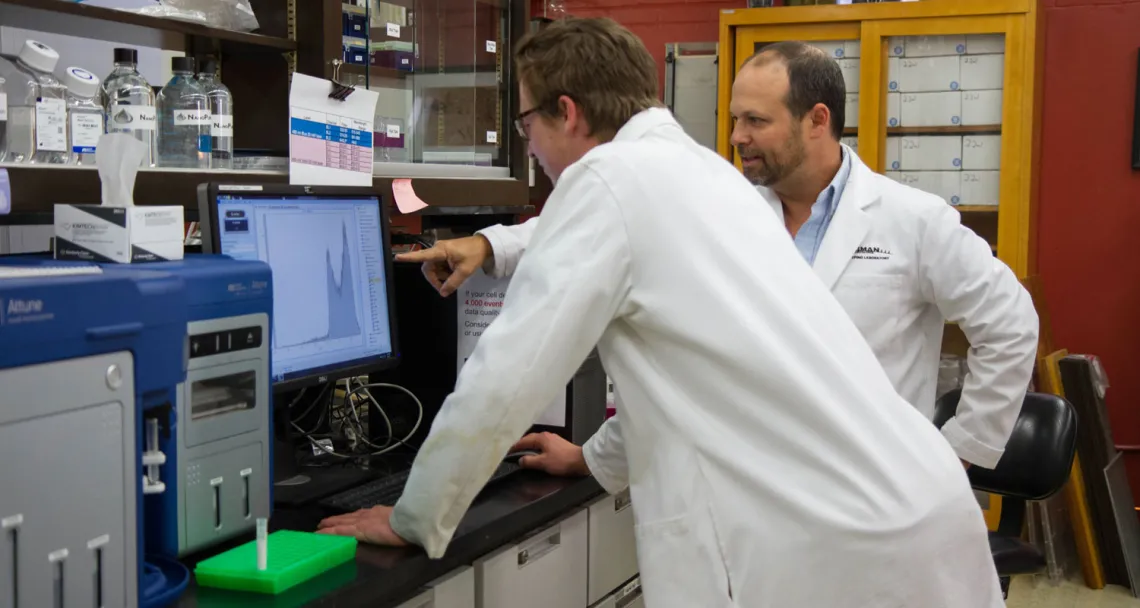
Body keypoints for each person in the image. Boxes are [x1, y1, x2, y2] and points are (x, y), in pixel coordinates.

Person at [319, 17, 1002, 607]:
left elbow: (506, 373)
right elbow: (704, 374)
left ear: (569, 112)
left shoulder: (607, 180)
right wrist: (592, 458)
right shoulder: (704, 175)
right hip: (908, 512)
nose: (528, 146)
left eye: (526, 124)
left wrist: (418, 517)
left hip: (833, 549)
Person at [405, 41, 1039, 483]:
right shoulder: (727, 205)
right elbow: (610, 215)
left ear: (817, 121)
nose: (735, 137)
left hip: (871, 497)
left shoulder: (912, 220)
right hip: (749, 500)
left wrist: (960, 454)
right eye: (735, 118)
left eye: (756, 121)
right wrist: (492, 245)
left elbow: (1009, 323)